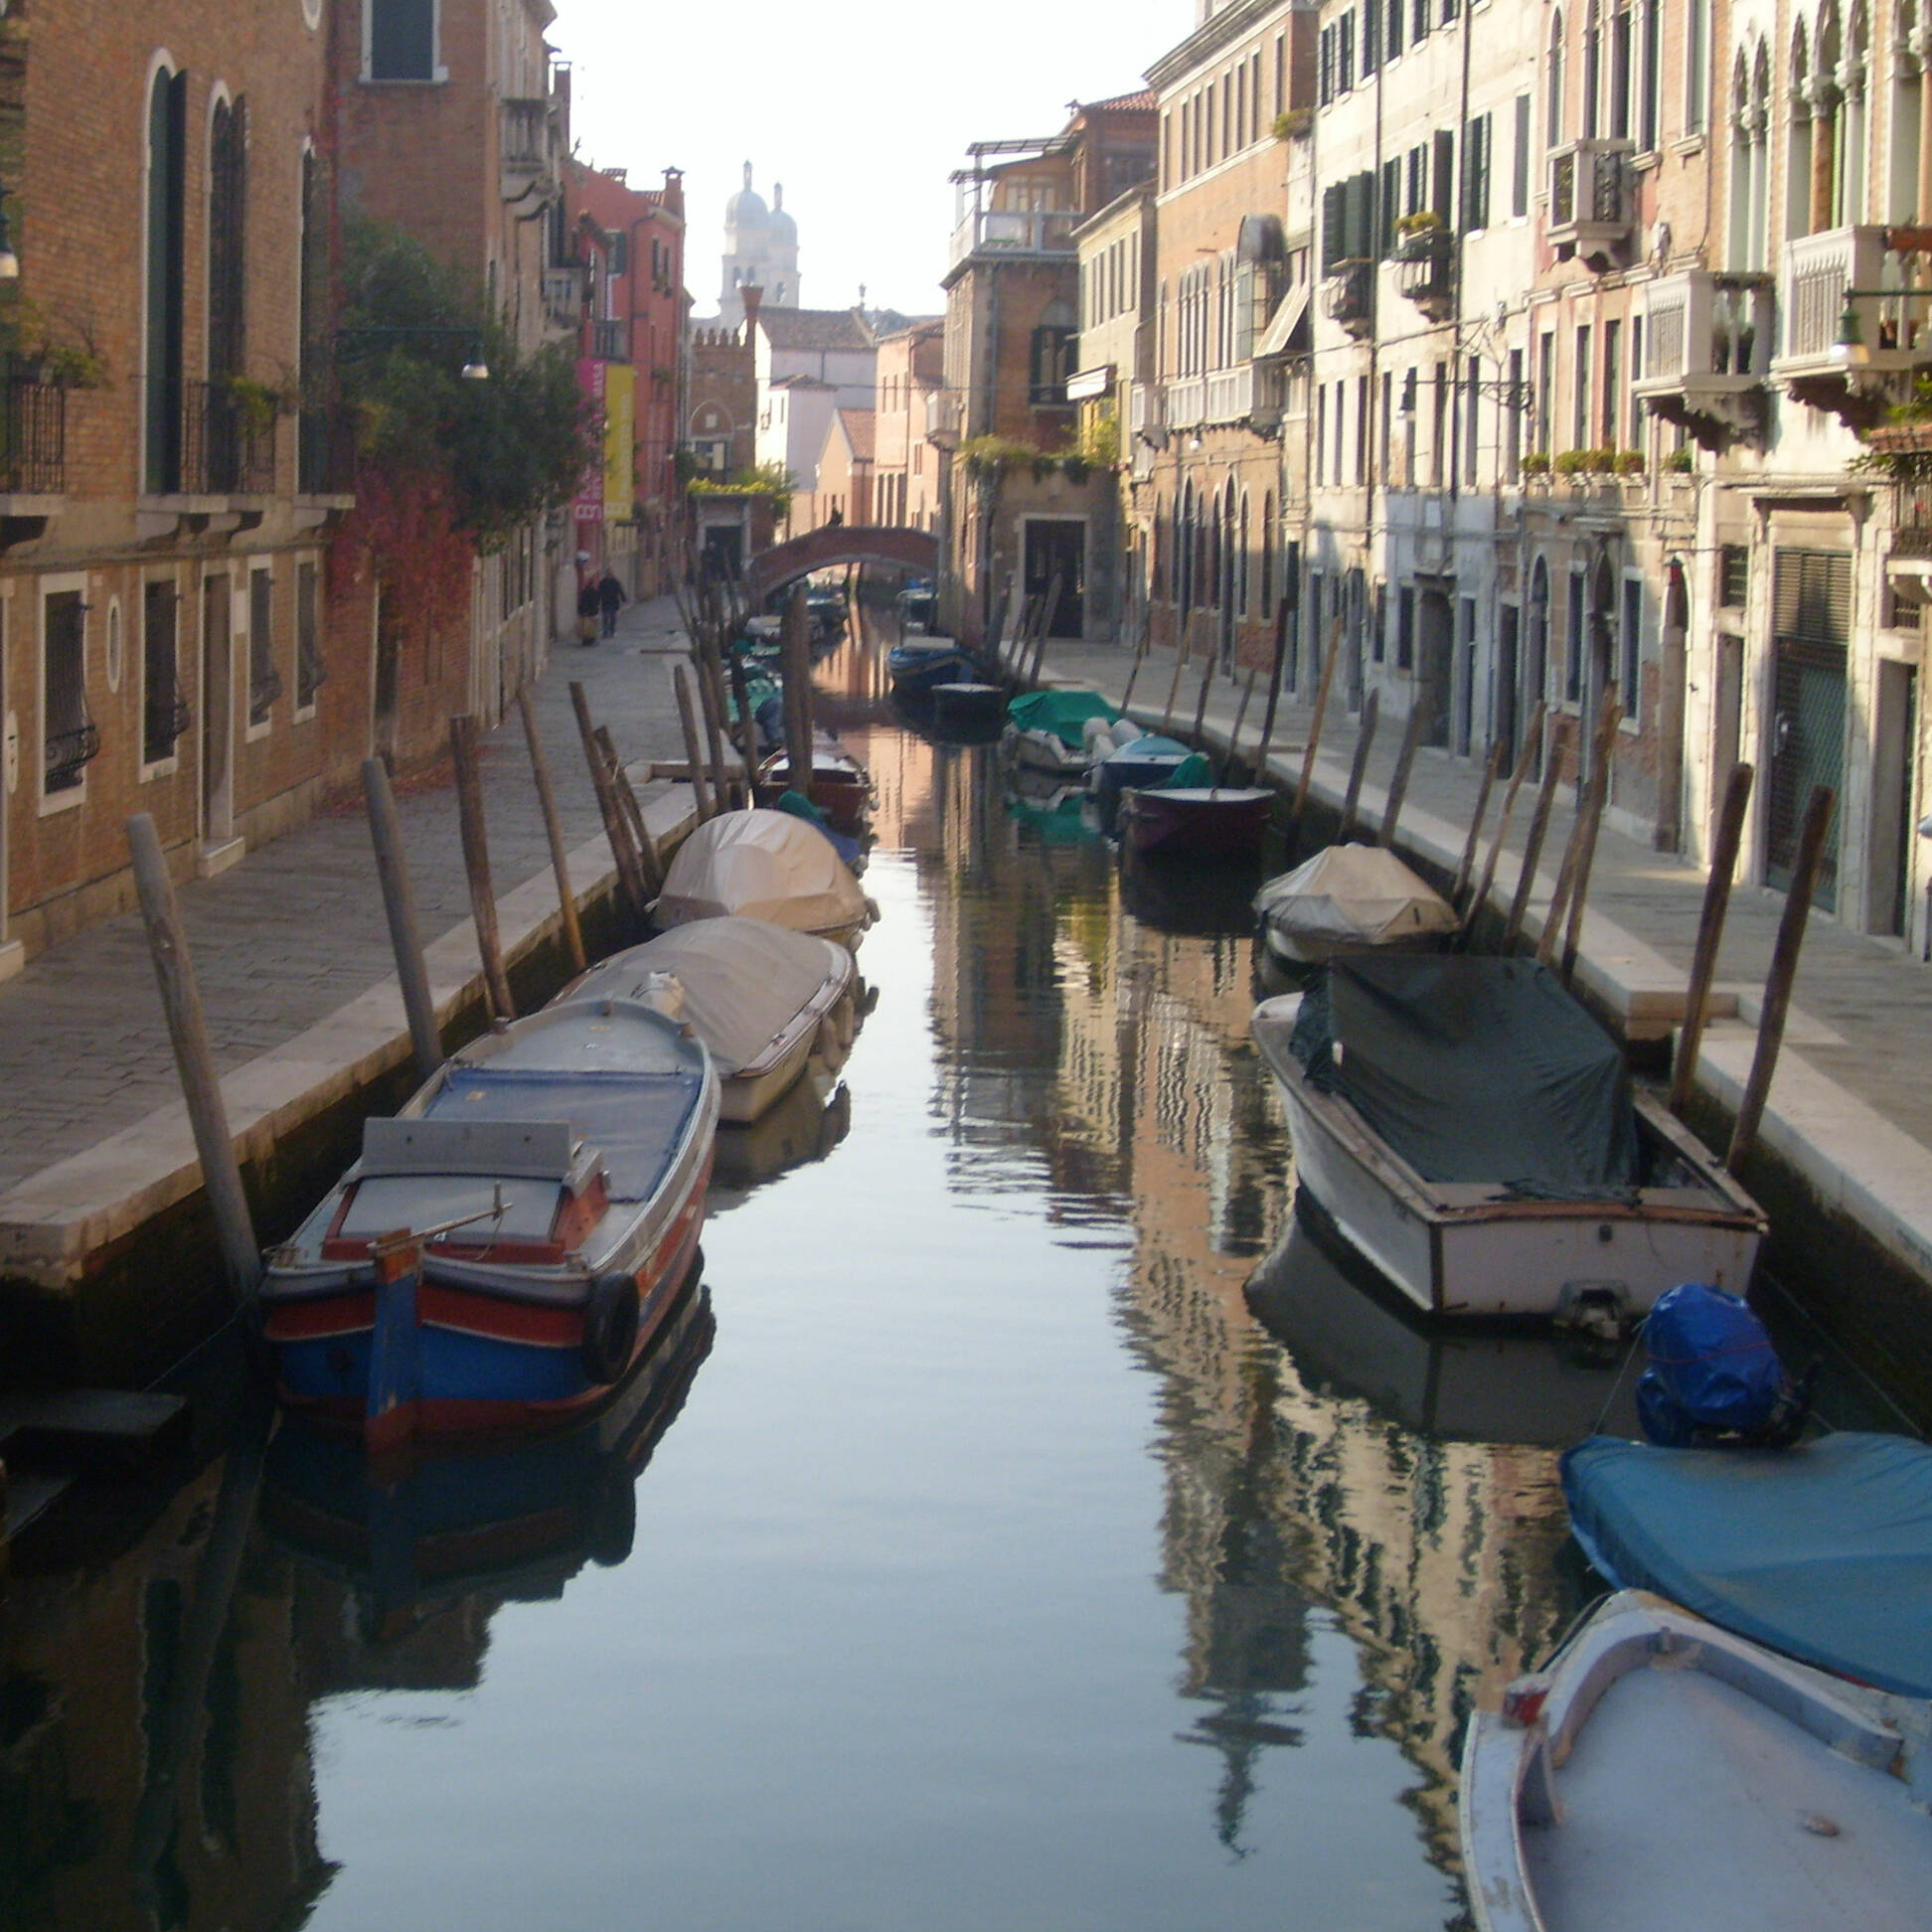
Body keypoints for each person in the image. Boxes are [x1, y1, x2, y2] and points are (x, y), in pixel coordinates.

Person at [597, 569, 625, 638]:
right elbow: (599, 592)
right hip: (605, 602)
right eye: (608, 574)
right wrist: (597, 601)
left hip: (613, 602)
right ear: (606, 575)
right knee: (605, 618)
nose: (609, 576)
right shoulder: (602, 583)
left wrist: (624, 598)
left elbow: (620, 590)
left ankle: (612, 631)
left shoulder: (615, 582)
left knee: (613, 618)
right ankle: (605, 632)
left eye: (610, 574)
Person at [576, 576, 600, 646]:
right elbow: (596, 602)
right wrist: (596, 610)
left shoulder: (584, 591)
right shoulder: (595, 592)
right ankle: (591, 640)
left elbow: (581, 601)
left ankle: (585, 640)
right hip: (592, 612)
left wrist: (580, 610)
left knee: (585, 627)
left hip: (584, 611)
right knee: (592, 627)